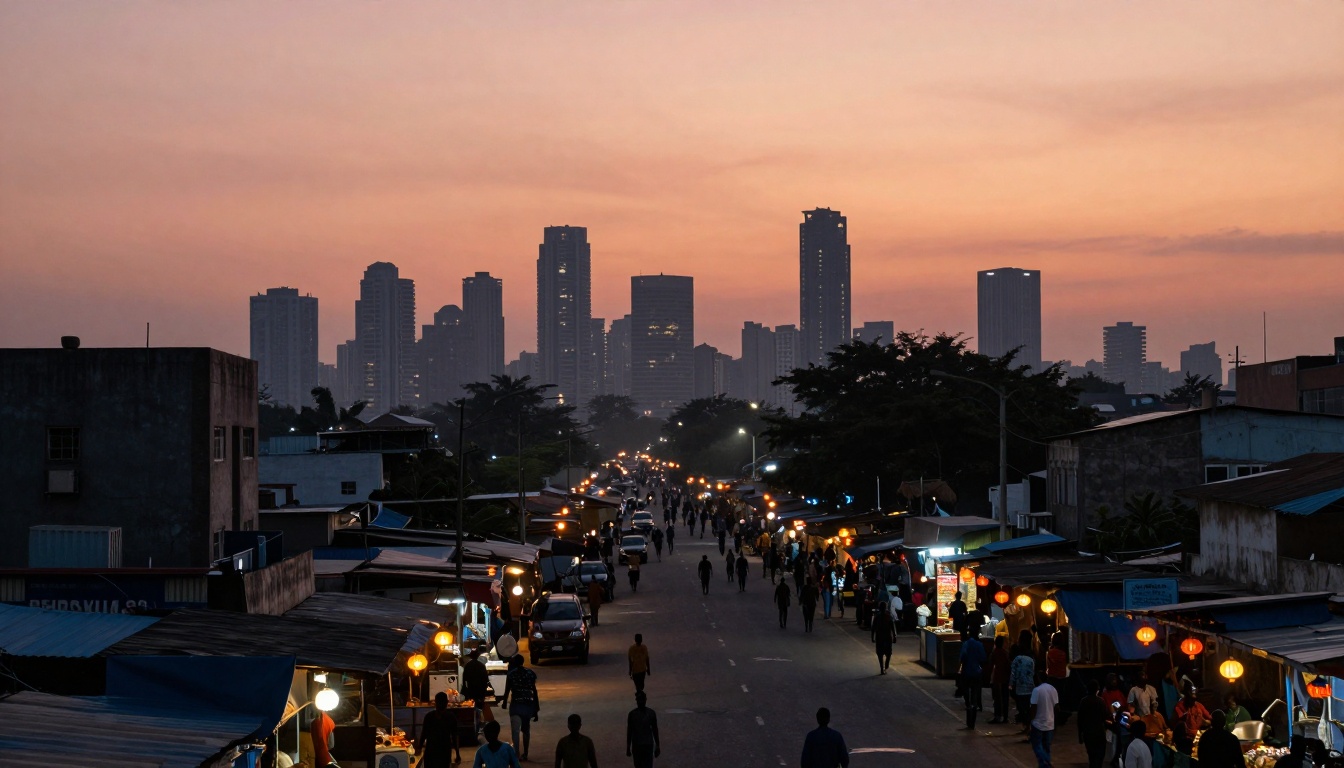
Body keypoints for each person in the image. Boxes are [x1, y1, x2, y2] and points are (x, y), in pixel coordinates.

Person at [501, 655, 539, 761]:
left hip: (516, 705)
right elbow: (534, 692)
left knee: (515, 731)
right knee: (526, 731)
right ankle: (525, 753)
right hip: (528, 705)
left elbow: (507, 690)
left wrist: (504, 702)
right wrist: (536, 709)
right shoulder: (530, 674)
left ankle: (516, 754)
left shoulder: (511, 674)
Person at [417, 692, 462, 768]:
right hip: (444, 751)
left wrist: (420, 747)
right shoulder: (450, 717)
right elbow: (455, 736)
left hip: (431, 751)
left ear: (435, 702)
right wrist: (457, 753)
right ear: (447, 703)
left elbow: (424, 734)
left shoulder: (429, 716)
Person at [1076, 679, 1111, 768]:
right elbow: (1105, 716)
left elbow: (1080, 720)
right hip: (1099, 732)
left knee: (1091, 756)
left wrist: (1080, 735)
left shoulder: (1083, 701)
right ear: (1097, 690)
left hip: (1088, 733)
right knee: (1100, 756)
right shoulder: (1101, 701)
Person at [1029, 678, 1059, 768]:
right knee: (1047, 747)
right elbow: (1057, 708)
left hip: (1038, 724)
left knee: (1037, 746)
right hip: (1050, 723)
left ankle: (1046, 763)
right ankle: (1044, 764)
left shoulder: (1036, 690)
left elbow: (1033, 708)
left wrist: (1029, 722)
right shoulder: (1053, 689)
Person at [1172, 684, 1210, 754]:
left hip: (1197, 739)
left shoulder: (1198, 705)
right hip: (1184, 740)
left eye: (1195, 699)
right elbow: (1177, 724)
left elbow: (1211, 720)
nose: (1193, 702)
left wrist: (1204, 722)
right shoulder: (1179, 706)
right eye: (1191, 699)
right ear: (1186, 697)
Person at [626, 691, 661, 768]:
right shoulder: (650, 713)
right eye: (639, 700)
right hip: (643, 744)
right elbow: (630, 731)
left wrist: (628, 746)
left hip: (641, 744)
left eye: (641, 700)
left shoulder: (632, 714)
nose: (640, 702)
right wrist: (657, 745)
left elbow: (630, 731)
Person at [959, 632, 987, 729]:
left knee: (967, 696)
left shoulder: (966, 644)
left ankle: (968, 721)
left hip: (966, 673)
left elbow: (962, 657)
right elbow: (983, 658)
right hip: (977, 673)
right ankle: (973, 723)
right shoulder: (980, 645)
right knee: (975, 696)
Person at [1010, 641, 1037, 730]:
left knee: (1022, 707)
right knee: (1028, 706)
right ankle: (1029, 725)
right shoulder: (1031, 660)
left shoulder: (1017, 660)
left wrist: (1011, 684)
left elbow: (1013, 673)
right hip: (1030, 686)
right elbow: (1033, 673)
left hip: (1020, 688)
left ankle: (1026, 725)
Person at [988, 635, 1011, 724]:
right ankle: (1005, 717)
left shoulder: (994, 653)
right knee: (1005, 698)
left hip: (997, 679)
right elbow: (1008, 666)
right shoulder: (1005, 653)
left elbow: (990, 664)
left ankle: (997, 716)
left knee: (997, 699)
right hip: (1005, 678)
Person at [870, 604, 894, 673]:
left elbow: (873, 628)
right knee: (888, 652)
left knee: (880, 653)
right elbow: (893, 627)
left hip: (879, 637)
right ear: (886, 608)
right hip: (887, 636)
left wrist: (872, 637)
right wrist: (895, 636)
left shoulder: (877, 617)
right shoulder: (888, 616)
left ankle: (882, 667)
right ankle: (886, 665)